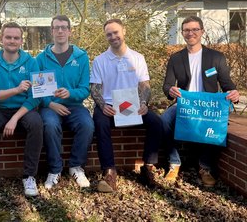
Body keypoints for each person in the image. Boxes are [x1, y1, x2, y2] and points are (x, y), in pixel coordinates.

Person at [161, 16, 240, 187]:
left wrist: (233, 93)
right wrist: (171, 90)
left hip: (208, 106)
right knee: (165, 119)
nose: (191, 33)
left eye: (195, 29)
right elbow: (167, 84)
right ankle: (174, 163)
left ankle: (205, 167)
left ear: (202, 32)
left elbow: (226, 83)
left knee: (216, 120)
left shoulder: (216, 57)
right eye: (187, 30)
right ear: (182, 33)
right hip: (184, 104)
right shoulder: (175, 58)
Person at [90, 18, 163, 192]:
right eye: (109, 34)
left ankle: (148, 167)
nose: (113, 36)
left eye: (116, 32)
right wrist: (102, 105)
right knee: (100, 123)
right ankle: (109, 172)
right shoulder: (100, 60)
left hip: (133, 106)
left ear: (124, 31)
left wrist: (144, 102)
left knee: (156, 123)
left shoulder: (137, 58)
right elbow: (94, 88)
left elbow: (145, 85)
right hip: (109, 106)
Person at [0, 22, 43, 200]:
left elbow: (36, 96)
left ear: (22, 41)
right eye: (8, 37)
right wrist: (16, 89)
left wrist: (15, 118)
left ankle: (29, 176)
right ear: (1, 39)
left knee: (37, 123)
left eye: (16, 38)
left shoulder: (32, 62)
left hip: (23, 109)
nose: (12, 41)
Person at [36, 15, 94, 189]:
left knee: (87, 125)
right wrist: (50, 104)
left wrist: (70, 93)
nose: (60, 31)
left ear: (70, 31)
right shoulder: (41, 59)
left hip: (75, 106)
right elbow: (37, 90)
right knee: (50, 124)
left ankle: (76, 167)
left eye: (63, 27)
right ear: (52, 31)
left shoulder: (81, 57)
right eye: (56, 27)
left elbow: (85, 89)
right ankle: (54, 169)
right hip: (50, 107)